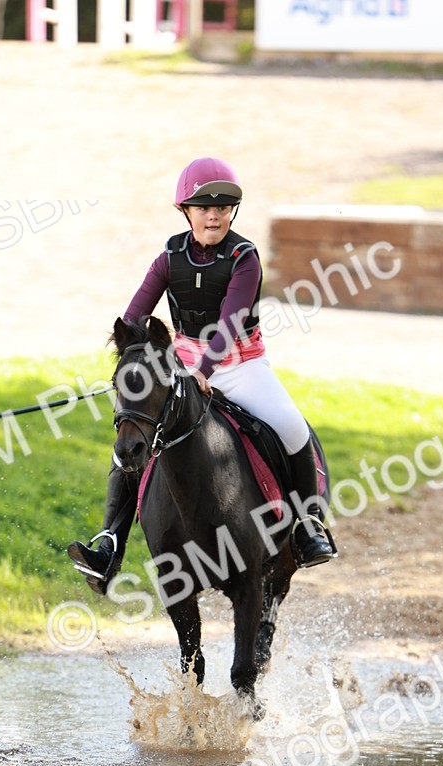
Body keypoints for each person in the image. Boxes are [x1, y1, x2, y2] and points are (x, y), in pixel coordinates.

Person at [68, 156, 337, 593]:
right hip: (182, 370)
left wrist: (202, 371)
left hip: (241, 367)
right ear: (185, 211)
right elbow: (134, 318)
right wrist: (131, 366)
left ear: (232, 212)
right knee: (132, 443)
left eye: (223, 206)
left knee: (291, 427)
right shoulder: (167, 259)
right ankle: (109, 546)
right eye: (203, 206)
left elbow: (230, 324)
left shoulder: (244, 258)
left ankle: (307, 526)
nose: (213, 214)